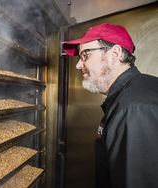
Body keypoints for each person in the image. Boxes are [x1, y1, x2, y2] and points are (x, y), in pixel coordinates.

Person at [62, 23, 158, 188]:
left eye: (85, 55)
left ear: (114, 54)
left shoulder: (132, 109)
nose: (78, 65)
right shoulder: (137, 92)